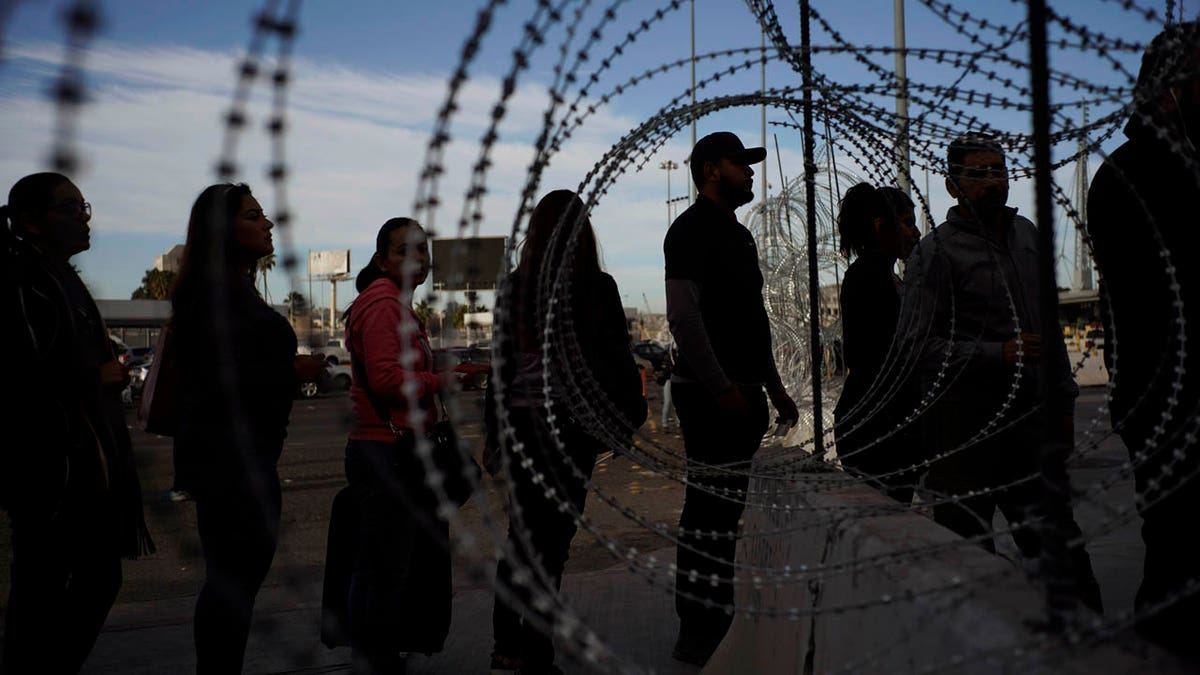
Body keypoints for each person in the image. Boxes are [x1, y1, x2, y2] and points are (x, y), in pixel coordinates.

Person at [901, 133, 1102, 612]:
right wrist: (998, 352)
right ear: (951, 185)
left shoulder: (1027, 237)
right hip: (965, 431)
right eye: (979, 173)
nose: (993, 182)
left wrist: (1065, 399)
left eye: (999, 171)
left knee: (1060, 550)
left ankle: (1089, 642)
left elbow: (1046, 325)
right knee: (969, 558)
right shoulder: (934, 254)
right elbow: (916, 347)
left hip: (1029, 423)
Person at [485, 190, 646, 675]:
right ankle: (535, 652)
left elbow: (499, 369)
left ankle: (506, 646)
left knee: (522, 538)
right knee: (552, 543)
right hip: (569, 433)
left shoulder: (514, 286)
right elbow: (617, 360)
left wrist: (494, 435)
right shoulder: (596, 286)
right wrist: (626, 421)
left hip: (520, 429)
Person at [0, 172, 154, 674]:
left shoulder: (59, 277)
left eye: (84, 206)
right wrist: (92, 375)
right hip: (51, 469)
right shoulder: (24, 278)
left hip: (82, 464)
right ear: (31, 221)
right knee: (49, 586)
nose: (84, 218)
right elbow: (18, 373)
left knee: (83, 579)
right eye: (70, 209)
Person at [663, 131, 800, 666]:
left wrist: (775, 388)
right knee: (708, 514)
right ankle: (699, 629)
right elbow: (683, 316)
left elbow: (752, 321)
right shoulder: (690, 230)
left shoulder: (738, 237)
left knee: (725, 514)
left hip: (742, 394)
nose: (749, 172)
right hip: (711, 396)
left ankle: (717, 620)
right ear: (710, 169)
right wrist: (721, 387)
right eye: (740, 163)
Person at [1086, 22, 1200, 660]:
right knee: (1179, 557)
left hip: (1169, 395)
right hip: (1171, 398)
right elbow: (1165, 294)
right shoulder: (1133, 177)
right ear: (1170, 91)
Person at [171, 183, 297, 674]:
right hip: (230, 464)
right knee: (231, 584)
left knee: (236, 583)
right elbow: (221, 379)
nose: (267, 224)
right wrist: (291, 372)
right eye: (253, 216)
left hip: (247, 457)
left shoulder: (230, 287)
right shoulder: (213, 293)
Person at [342, 217, 450, 673]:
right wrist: (442, 380)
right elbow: (388, 381)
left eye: (423, 251)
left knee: (391, 562)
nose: (419, 260)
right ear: (384, 259)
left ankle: (380, 653)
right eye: (406, 251)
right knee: (387, 567)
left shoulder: (396, 304)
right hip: (386, 449)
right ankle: (377, 659)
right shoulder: (384, 304)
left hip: (391, 446)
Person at [832, 183, 923, 504]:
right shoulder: (870, 276)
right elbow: (878, 354)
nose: (915, 233)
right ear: (881, 226)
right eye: (908, 223)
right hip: (877, 426)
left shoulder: (883, 274)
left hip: (877, 421)